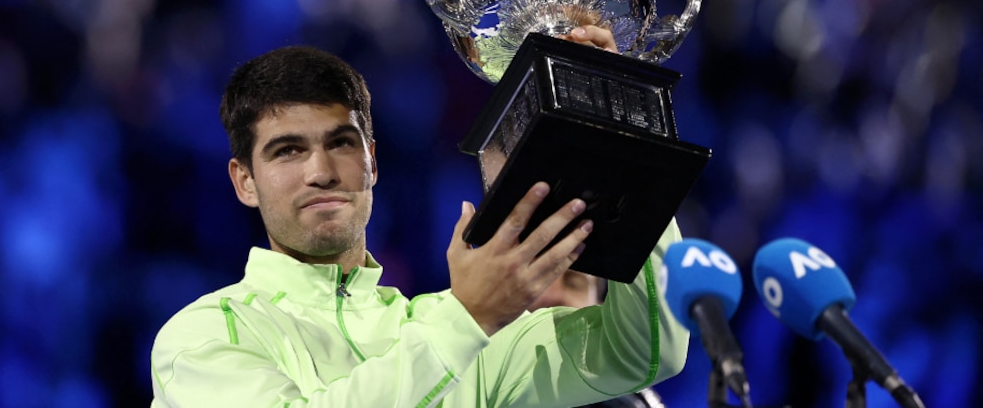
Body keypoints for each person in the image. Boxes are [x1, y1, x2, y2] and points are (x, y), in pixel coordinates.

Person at [149, 29, 688, 407]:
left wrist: (618, 136)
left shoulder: (453, 334)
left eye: (341, 143)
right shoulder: (202, 336)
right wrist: (466, 318)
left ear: (372, 162)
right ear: (244, 180)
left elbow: (644, 353)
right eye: (287, 151)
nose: (321, 171)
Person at [529, 270, 668, 408]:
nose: (551, 295)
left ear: (603, 311)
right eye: (541, 281)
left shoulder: (628, 403)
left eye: (573, 284)